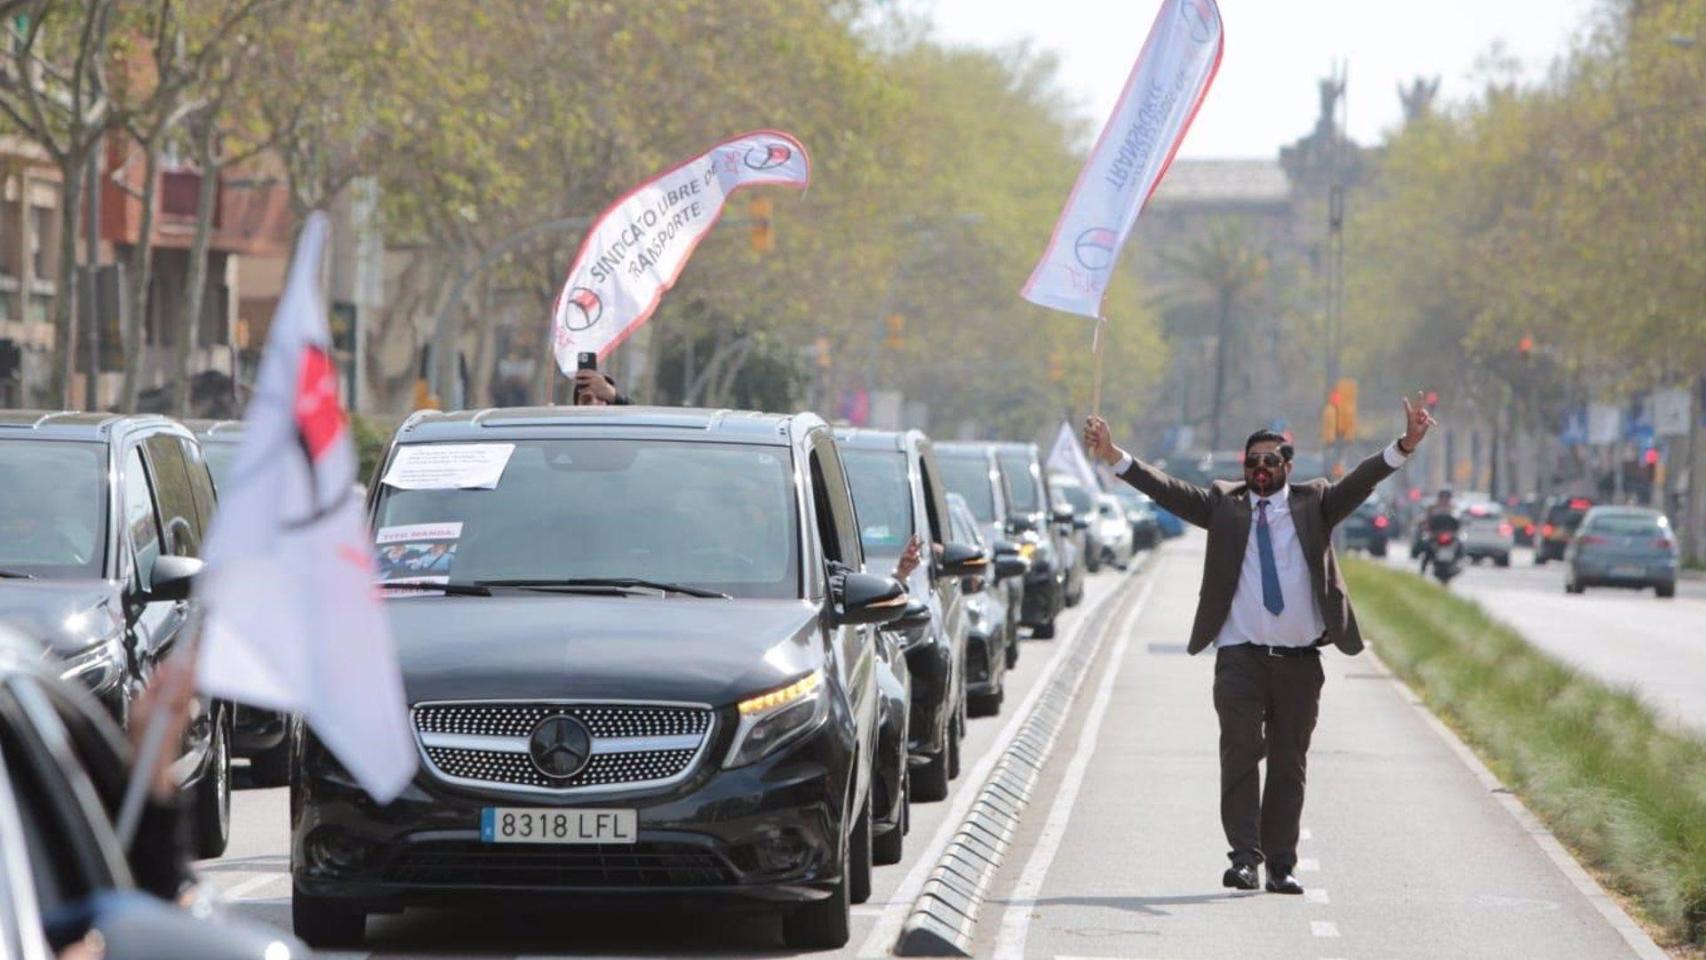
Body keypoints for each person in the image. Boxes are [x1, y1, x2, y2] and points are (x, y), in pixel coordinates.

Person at [1082, 394, 1435, 895]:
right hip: (1240, 659)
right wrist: (1114, 455)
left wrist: (1405, 445)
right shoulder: (1224, 505)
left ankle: (1281, 865)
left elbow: (1361, 480)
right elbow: (1167, 490)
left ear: (1288, 465)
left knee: (1289, 764)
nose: (1260, 469)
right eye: (1252, 462)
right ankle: (1245, 858)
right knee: (1240, 756)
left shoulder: (1315, 504)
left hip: (1298, 664)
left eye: (1271, 460)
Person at [1417, 489, 1457, 574]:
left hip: (1449, 535)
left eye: (1447, 498)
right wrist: (1425, 526)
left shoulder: (1454, 509)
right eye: (1442, 497)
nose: (1444, 500)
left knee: (1459, 546)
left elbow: (1458, 522)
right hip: (1435, 534)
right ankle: (1423, 568)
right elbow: (1426, 520)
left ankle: (1456, 564)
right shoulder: (1432, 508)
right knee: (1427, 547)